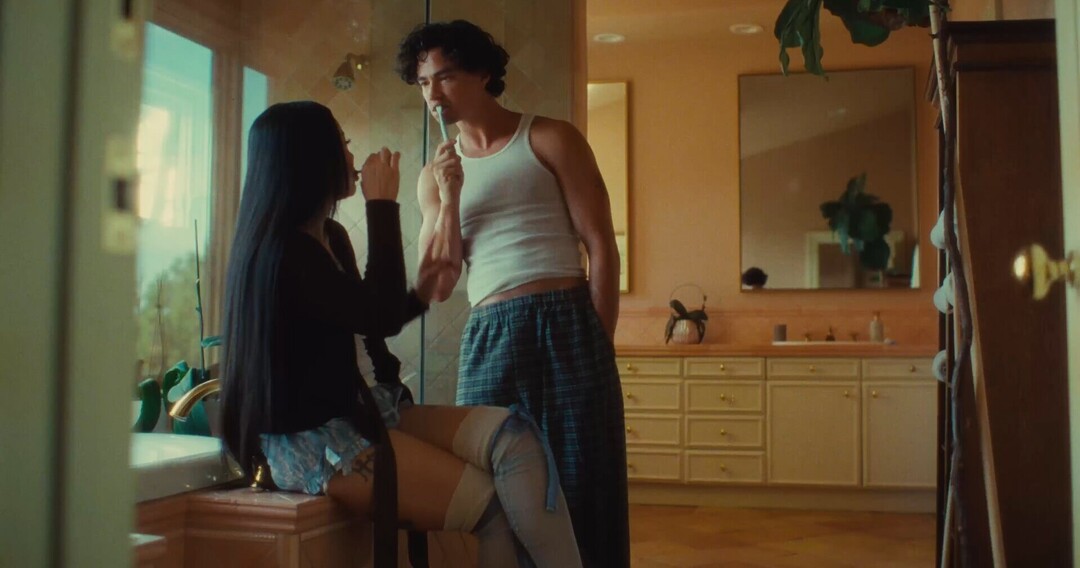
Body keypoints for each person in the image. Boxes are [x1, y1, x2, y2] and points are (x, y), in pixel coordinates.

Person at [218, 101, 582, 567]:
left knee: (515, 438)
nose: (353, 156)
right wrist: (382, 204)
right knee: (490, 507)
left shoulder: (330, 236)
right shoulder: (283, 253)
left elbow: (368, 317)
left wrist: (421, 294)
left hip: (367, 409)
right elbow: (378, 315)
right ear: (311, 158)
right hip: (315, 442)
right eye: (343, 144)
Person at [397, 21, 630, 566]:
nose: (433, 94)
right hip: (490, 333)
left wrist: (599, 344)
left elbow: (601, 245)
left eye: (445, 77)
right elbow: (438, 284)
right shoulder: (433, 177)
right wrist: (449, 198)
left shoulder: (550, 138)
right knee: (494, 489)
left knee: (584, 480)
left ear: (483, 73)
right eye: (423, 82)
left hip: (566, 319)